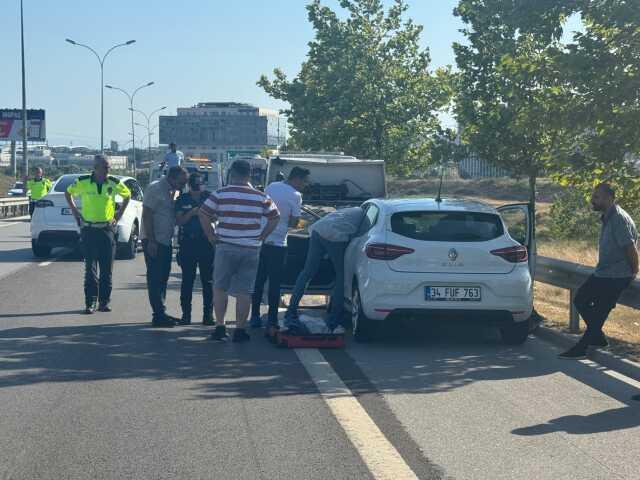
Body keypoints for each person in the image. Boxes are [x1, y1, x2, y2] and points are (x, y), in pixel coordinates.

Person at [199, 160, 280, 342]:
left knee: (220, 288)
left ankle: (220, 327)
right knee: (245, 291)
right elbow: (275, 217)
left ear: (232, 173)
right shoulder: (261, 196)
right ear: (249, 174)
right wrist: (263, 235)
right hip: (251, 248)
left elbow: (203, 213)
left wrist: (211, 236)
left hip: (225, 246)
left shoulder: (220, 194)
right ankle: (240, 330)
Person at [559, 183, 638, 359]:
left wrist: (633, 271)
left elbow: (630, 248)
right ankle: (598, 338)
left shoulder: (618, 218)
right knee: (580, 299)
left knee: (600, 311)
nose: (592, 200)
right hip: (604, 273)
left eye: (596, 197)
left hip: (617, 275)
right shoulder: (608, 217)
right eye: (593, 196)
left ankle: (582, 348)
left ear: (609, 198)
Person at [65, 155, 131, 314]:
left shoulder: (113, 182)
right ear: (95, 168)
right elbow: (69, 193)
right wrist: (76, 213)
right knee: (90, 269)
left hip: (106, 230)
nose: (108, 170)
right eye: (105, 167)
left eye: (109, 167)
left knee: (107, 270)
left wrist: (117, 216)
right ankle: (90, 302)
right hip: (89, 230)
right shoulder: (83, 182)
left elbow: (127, 196)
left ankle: (104, 301)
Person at [284, 206, 366, 332]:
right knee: (340, 276)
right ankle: (334, 319)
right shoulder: (365, 217)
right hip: (335, 236)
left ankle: (291, 311)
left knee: (307, 272)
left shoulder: (352, 211)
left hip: (318, 230)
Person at [250, 167, 310, 331]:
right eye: (304, 181)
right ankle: (271, 320)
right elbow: (293, 223)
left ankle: (254, 317)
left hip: (261, 240)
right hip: (278, 244)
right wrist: (300, 222)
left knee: (259, 281)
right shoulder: (296, 195)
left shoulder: (271, 186)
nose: (305, 185)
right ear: (297, 179)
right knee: (275, 284)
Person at [142, 166, 188, 327]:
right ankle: (158, 315)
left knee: (163, 277)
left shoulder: (172, 191)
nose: (184, 185)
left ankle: (161, 311)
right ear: (173, 178)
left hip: (165, 241)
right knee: (155, 278)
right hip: (154, 240)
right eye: (182, 182)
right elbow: (146, 215)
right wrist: (152, 241)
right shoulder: (156, 188)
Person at [175, 172, 214, 326]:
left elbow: (217, 216)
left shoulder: (210, 198)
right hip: (188, 243)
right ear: (189, 186)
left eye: (200, 185)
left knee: (208, 281)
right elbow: (179, 221)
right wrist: (192, 213)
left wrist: (205, 214)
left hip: (206, 243)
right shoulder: (182, 199)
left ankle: (208, 315)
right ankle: (186, 315)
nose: (197, 189)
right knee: (187, 281)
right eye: (194, 186)